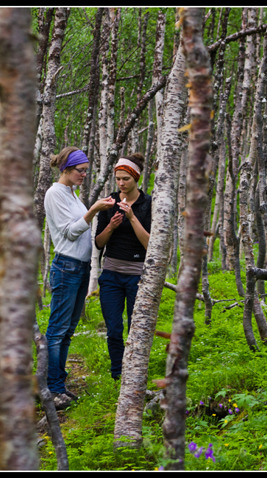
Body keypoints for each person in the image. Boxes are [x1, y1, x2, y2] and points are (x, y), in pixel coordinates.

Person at [44, 146, 115, 409]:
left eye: (86, 171)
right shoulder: (55, 194)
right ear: (66, 169)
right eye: (80, 171)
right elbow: (70, 232)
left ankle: (60, 384)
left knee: (68, 330)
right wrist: (94, 209)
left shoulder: (72, 194)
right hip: (66, 267)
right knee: (58, 330)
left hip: (81, 267)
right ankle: (52, 388)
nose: (84, 175)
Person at [95, 153, 152, 380]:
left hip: (137, 276)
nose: (121, 183)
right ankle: (117, 373)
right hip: (110, 275)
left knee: (135, 328)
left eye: (125, 179)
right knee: (114, 328)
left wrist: (131, 218)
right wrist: (110, 226)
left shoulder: (148, 204)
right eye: (117, 178)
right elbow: (99, 243)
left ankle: (135, 372)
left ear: (136, 178)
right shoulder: (108, 203)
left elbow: (150, 243)